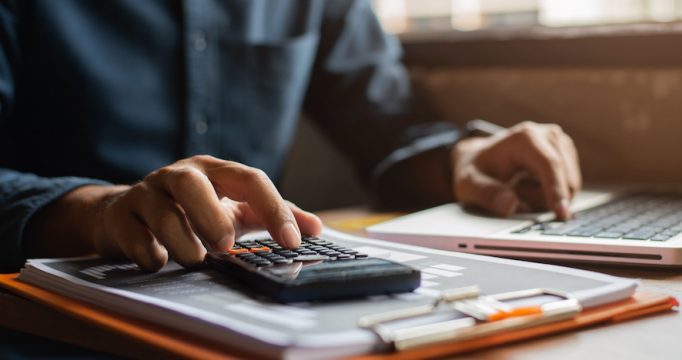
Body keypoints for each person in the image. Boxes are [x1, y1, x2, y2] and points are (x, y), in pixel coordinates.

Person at [0, 0, 581, 274]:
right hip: (49, 304)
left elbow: (387, 125)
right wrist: (100, 212)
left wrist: (464, 157)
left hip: (255, 291)